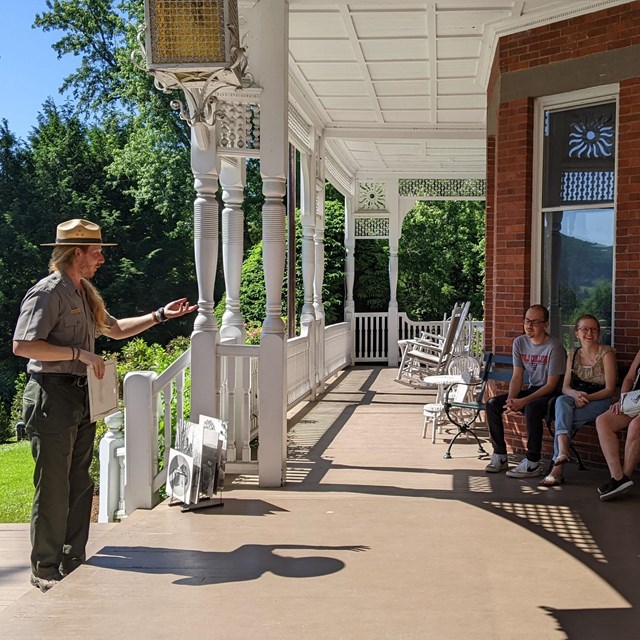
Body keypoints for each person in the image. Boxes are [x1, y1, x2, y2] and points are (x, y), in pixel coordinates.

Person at [12, 219, 197, 593]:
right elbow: (24, 345)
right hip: (52, 395)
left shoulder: (83, 293)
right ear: (76, 253)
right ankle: (45, 569)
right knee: (52, 485)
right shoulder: (47, 294)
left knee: (80, 482)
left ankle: (72, 559)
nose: (101, 258)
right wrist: (78, 353)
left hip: (81, 395)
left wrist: (160, 315)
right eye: (96, 251)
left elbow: (115, 329)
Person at [485, 304, 566, 477]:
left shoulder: (555, 347)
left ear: (546, 324)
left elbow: (551, 385)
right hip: (533, 390)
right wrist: (511, 401)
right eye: (527, 321)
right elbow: (517, 376)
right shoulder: (520, 342)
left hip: (553, 395)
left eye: (535, 322)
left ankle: (533, 462)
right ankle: (500, 455)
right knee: (492, 404)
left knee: (532, 407)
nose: (529, 326)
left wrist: (523, 401)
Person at [539, 315, 616, 487]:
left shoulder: (606, 353)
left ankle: (558, 467)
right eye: (584, 329)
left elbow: (610, 389)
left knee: (563, 418)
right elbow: (566, 387)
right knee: (561, 401)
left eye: (593, 329)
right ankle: (563, 452)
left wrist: (587, 398)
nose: (589, 333)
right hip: (578, 399)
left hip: (601, 401)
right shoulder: (573, 354)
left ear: (598, 332)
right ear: (576, 333)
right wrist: (575, 395)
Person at [594, 348, 640, 501]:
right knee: (603, 421)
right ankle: (617, 476)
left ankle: (623, 479)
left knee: (636, 425)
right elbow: (629, 378)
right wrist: (622, 400)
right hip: (635, 401)